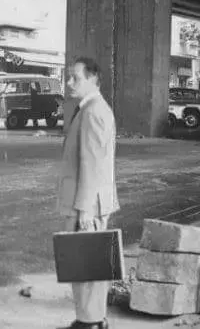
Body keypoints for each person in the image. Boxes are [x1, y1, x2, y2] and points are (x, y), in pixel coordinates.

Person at [57, 57, 119, 329]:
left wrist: (84, 209)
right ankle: (92, 318)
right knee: (87, 263)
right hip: (88, 201)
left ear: (93, 80)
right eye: (69, 77)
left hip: (86, 203)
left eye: (75, 78)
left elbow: (92, 164)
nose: (70, 82)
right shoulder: (90, 109)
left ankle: (90, 322)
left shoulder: (93, 112)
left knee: (87, 266)